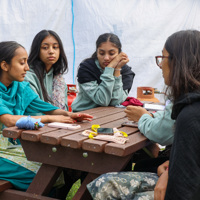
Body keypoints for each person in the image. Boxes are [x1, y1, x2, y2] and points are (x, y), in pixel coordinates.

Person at [87, 30, 200, 200]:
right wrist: (170, 169)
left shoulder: (191, 113)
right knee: (117, 176)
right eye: (102, 53)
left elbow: (107, 99)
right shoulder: (87, 68)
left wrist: (112, 71)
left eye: (163, 58)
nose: (160, 65)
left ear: (180, 62)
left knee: (104, 184)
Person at [0, 41, 93, 195]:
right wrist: (50, 119)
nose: (27, 68)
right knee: (42, 175)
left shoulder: (19, 86)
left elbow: (42, 106)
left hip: (10, 146)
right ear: (4, 65)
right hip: (5, 150)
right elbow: (9, 120)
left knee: (56, 167)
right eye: (22, 63)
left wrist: (69, 114)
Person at [71, 33, 135, 112]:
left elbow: (116, 101)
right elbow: (102, 100)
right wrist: (109, 69)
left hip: (108, 116)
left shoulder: (126, 71)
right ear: (97, 52)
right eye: (101, 53)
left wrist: (117, 70)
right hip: (84, 114)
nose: (106, 58)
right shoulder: (86, 68)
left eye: (111, 53)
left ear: (119, 53)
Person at [24, 30, 69, 111]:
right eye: (45, 48)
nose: (51, 51)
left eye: (55, 47)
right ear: (37, 50)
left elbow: (65, 109)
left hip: (58, 121)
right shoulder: (27, 75)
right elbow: (36, 107)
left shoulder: (59, 79)